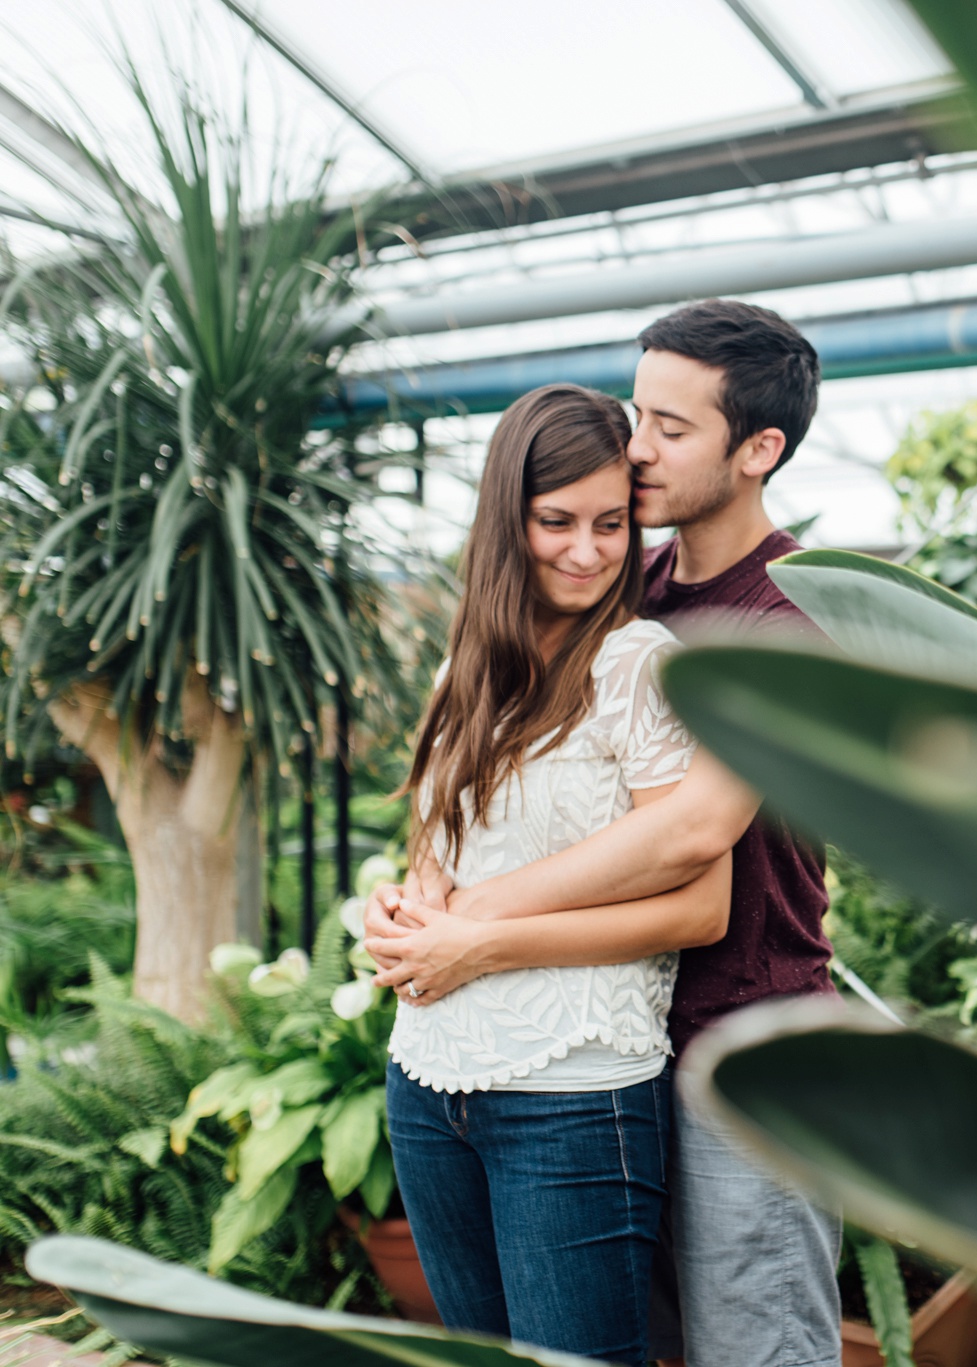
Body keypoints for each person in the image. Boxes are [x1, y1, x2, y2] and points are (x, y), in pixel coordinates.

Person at [369, 300, 842, 1367]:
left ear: (757, 449)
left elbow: (694, 831)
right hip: (621, 1031)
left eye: (672, 428)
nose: (637, 446)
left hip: (744, 1036)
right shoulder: (640, 588)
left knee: (756, 1346)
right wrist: (427, 897)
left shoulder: (790, 616)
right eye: (639, 411)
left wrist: (476, 919)